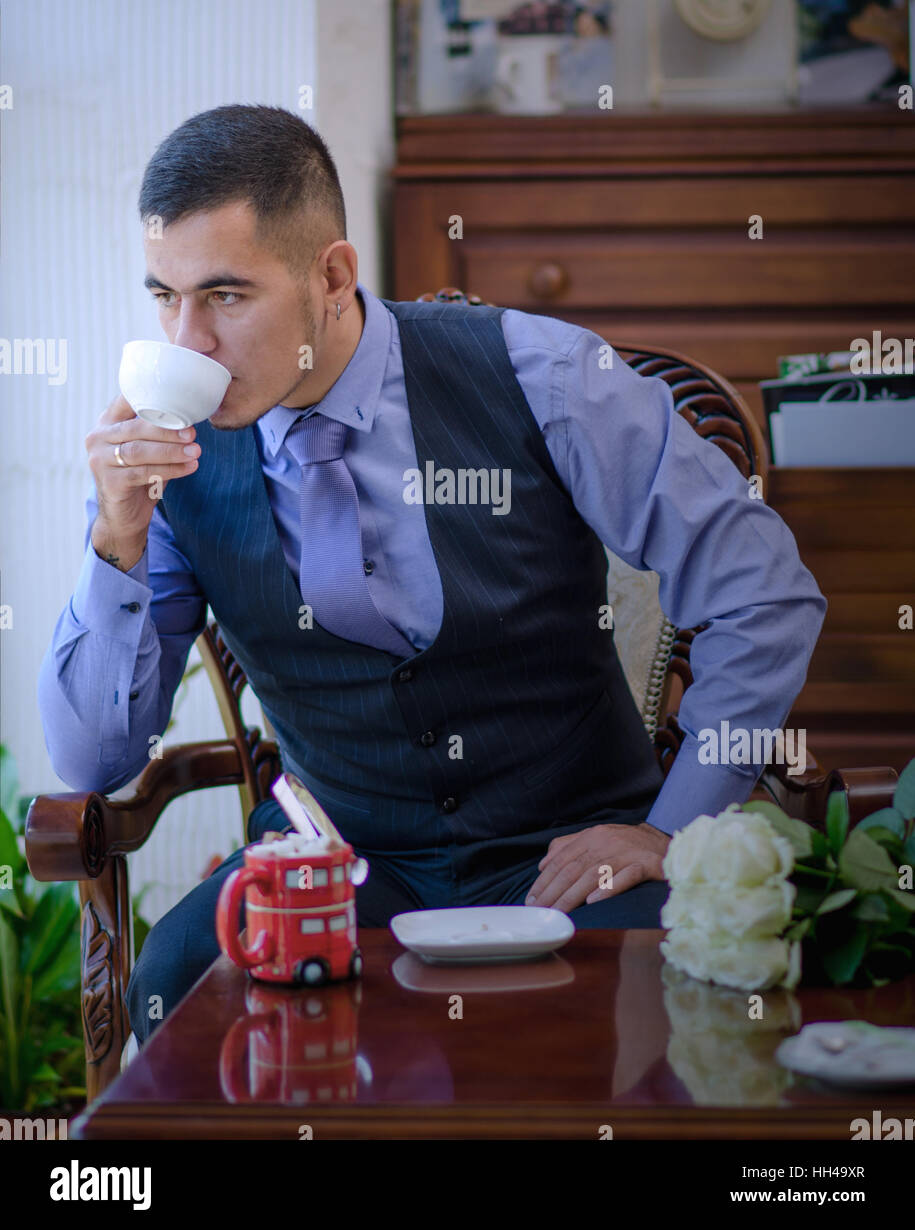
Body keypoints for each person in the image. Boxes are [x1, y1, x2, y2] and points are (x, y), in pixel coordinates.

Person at [37, 104, 826, 1046]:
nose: (186, 342)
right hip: (335, 870)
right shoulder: (170, 470)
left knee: (683, 982)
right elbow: (93, 761)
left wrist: (672, 832)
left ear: (331, 277)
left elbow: (763, 593)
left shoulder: (543, 377)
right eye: (164, 297)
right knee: (176, 978)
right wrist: (116, 543)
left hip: (568, 857)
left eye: (225, 297)